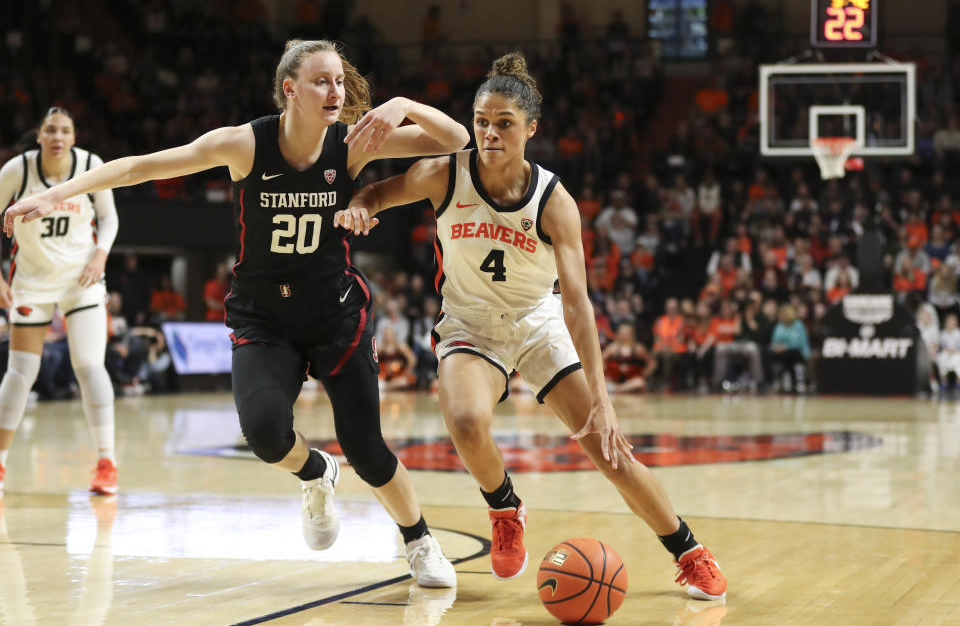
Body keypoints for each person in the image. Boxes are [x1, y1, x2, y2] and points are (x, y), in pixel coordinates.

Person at [5, 40, 469, 587]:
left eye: (340, 82)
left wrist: (404, 105)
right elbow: (142, 167)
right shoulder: (245, 144)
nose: (336, 91)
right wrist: (59, 194)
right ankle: (316, 472)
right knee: (266, 432)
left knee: (367, 447)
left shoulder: (353, 144)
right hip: (264, 317)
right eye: (322, 81)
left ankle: (419, 541)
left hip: (335, 313)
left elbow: (459, 140)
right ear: (290, 89)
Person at [336, 53, 727, 600]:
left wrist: (603, 398)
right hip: (470, 322)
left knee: (610, 451)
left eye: (504, 123)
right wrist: (359, 206)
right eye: (481, 121)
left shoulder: (554, 201)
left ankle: (689, 551)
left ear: (530, 129)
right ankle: (504, 508)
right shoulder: (445, 172)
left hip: (536, 321)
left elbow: (578, 305)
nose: (489, 133)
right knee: (468, 422)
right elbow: (377, 192)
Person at [0, 106, 120, 495]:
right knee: (20, 373)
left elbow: (109, 218)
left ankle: (107, 463)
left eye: (65, 130)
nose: (57, 136)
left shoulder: (90, 164)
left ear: (74, 136)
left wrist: (101, 254)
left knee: (88, 365)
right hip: (32, 281)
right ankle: (0, 464)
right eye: (50, 129)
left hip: (80, 279)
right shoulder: (17, 171)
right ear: (39, 135)